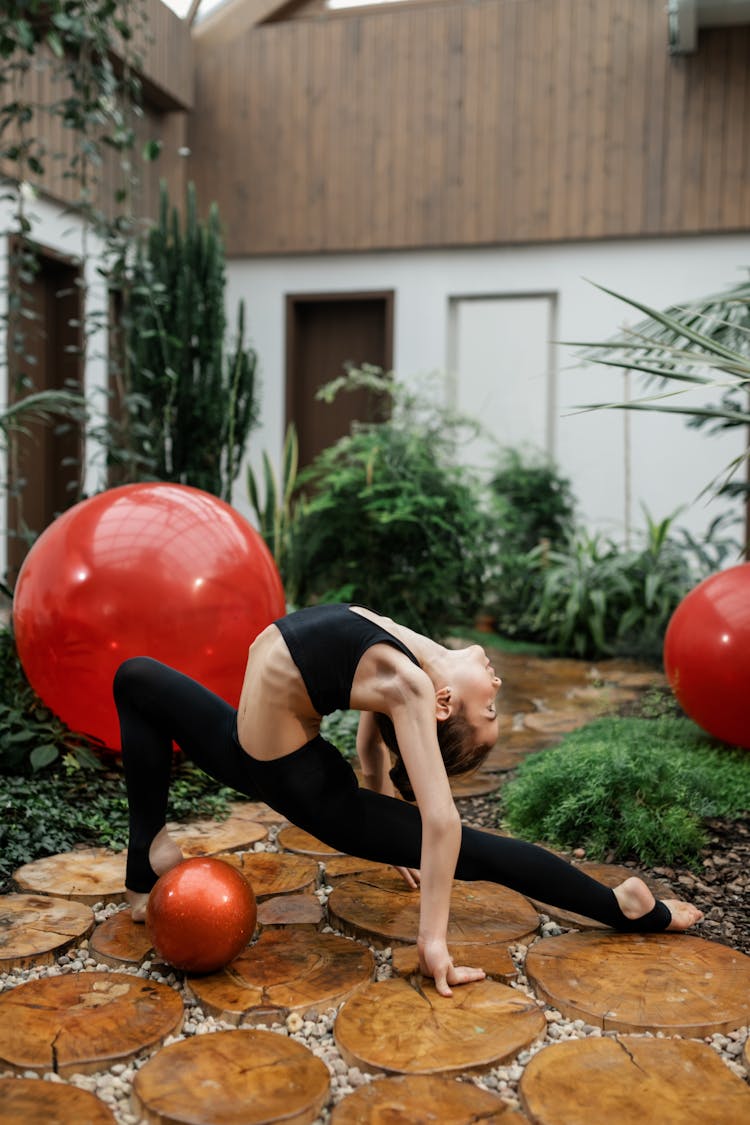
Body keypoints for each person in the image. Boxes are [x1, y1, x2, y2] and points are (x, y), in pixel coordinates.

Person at [114, 603, 703, 997]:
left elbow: (442, 822)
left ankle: (622, 909)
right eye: (496, 708)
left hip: (303, 785)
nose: (497, 685)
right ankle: (147, 859)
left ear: (442, 705)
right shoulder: (413, 659)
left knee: (475, 850)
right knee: (135, 678)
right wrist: (385, 823)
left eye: (488, 710)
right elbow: (372, 747)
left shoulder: (413, 684)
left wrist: (433, 940)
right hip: (246, 749)